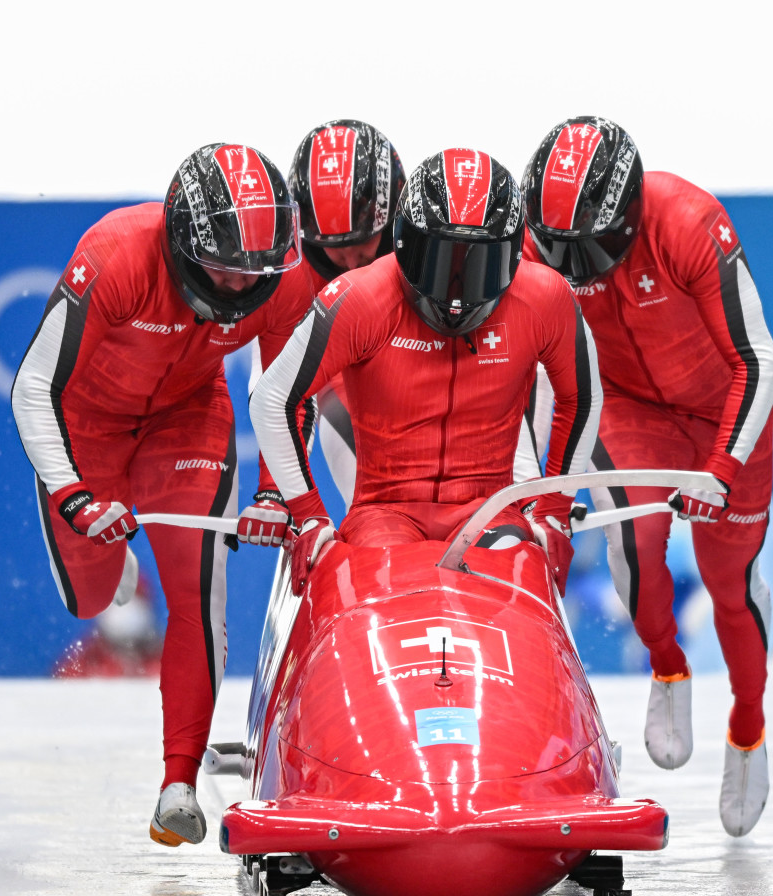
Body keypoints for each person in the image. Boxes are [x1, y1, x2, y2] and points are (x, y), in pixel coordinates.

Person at [11, 143, 315, 847]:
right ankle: (115, 569)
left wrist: (276, 495)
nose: (240, 289)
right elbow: (34, 385)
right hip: (87, 426)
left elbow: (284, 396)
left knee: (198, 591)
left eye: (256, 274)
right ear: (181, 240)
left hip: (188, 415)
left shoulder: (287, 283)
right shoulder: (116, 254)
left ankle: (177, 783)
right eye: (222, 270)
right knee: (89, 598)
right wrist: (75, 495)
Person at [521, 117, 773, 837]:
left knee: (730, 586)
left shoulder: (690, 223)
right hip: (628, 406)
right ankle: (667, 667)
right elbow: (527, 373)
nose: (576, 268)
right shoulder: (528, 242)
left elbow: (757, 361)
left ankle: (749, 726)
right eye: (558, 249)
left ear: (632, 214)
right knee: (634, 547)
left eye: (592, 249)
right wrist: (548, 488)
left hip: (721, 410)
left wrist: (723, 466)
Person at [249, 148, 602, 598]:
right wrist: (309, 515)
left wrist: (551, 509)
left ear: (511, 254)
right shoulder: (359, 299)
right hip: (384, 515)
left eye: (478, 264)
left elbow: (582, 396)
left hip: (490, 510)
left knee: (510, 569)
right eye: (440, 259)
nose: (456, 291)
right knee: (390, 588)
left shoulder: (545, 299)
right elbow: (273, 398)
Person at [281, 119, 406, 508]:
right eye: (336, 249)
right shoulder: (288, 272)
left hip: (426, 366)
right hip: (343, 382)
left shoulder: (424, 241)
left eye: (363, 240)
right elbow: (274, 389)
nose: (353, 262)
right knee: (377, 508)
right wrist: (282, 495)